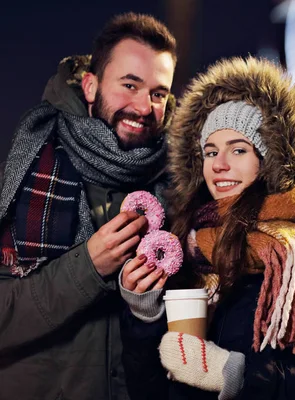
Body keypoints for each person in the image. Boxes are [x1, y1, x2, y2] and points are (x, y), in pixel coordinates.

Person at [119, 57, 295, 399]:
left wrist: (237, 376)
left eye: (238, 150)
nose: (220, 165)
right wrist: (144, 315)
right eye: (210, 152)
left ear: (270, 160)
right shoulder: (186, 254)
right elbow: (148, 390)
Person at [0, 13, 177, 400]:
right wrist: (88, 267)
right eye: (129, 85)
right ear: (91, 86)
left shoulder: (180, 185)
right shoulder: (23, 175)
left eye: (158, 93)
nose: (144, 107)